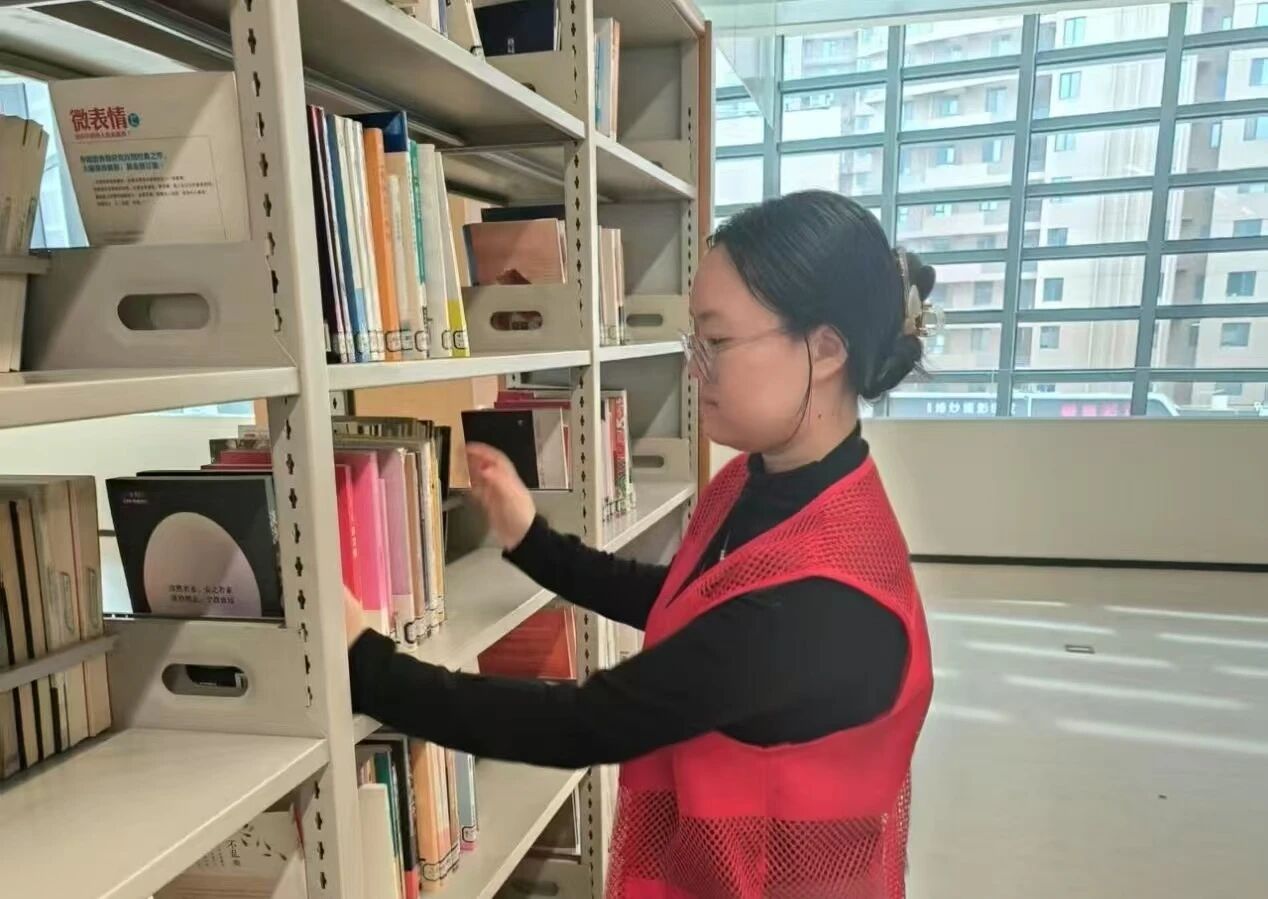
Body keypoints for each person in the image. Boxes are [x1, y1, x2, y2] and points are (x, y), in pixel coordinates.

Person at [344, 190, 937, 899]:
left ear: (827, 348)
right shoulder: (772, 482)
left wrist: (367, 665)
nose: (695, 368)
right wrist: (532, 541)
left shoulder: (820, 603)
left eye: (716, 342)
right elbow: (695, 603)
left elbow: (585, 724)